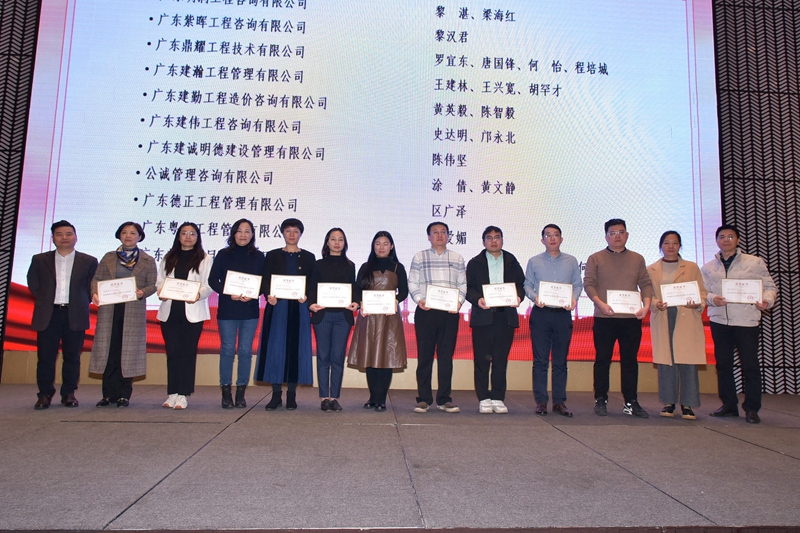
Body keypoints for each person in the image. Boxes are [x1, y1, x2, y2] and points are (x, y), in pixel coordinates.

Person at [701, 224, 777, 424]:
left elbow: (769, 286)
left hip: (746, 321)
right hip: (720, 321)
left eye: (730, 236)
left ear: (738, 240)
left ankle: (752, 408)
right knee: (723, 365)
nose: (726, 240)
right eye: (722, 237)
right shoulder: (708, 267)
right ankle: (729, 405)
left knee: (750, 365)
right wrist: (712, 299)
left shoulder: (754, 262)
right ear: (716, 241)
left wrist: (766, 301)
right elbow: (702, 292)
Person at [583, 218, 653, 418]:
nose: (617, 236)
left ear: (627, 235)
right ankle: (601, 398)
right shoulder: (596, 258)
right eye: (612, 233)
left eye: (621, 232)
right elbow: (589, 284)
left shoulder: (637, 259)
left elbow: (645, 284)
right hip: (604, 317)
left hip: (631, 318)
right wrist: (600, 304)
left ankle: (631, 401)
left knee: (630, 360)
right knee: (602, 359)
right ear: (606, 237)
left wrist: (646, 306)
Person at [27, 220, 98, 410]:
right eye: (59, 234)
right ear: (53, 238)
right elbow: (33, 283)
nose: (64, 238)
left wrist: (83, 301)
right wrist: (45, 299)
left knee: (72, 357)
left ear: (76, 237)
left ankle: (68, 393)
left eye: (68, 234)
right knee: (45, 357)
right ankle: (44, 394)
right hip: (48, 314)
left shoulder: (89, 261)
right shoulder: (40, 259)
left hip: (75, 313)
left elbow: (92, 286)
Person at [89, 222, 157, 407]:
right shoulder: (109, 257)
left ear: (139, 237)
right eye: (124, 232)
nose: (128, 236)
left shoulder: (148, 260)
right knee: (109, 350)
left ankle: (124, 394)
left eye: (132, 233)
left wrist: (143, 292)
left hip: (133, 310)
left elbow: (153, 284)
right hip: (109, 309)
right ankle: (107, 394)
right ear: (119, 236)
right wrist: (94, 293)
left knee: (128, 352)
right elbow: (96, 279)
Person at [255, 218, 316, 410]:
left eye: (295, 231)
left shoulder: (309, 257)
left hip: (300, 308)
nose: (292, 234)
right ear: (282, 233)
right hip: (278, 307)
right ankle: (276, 395)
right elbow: (265, 279)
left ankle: (291, 395)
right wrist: (268, 295)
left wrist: (307, 296)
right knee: (276, 348)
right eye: (288, 230)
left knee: (295, 348)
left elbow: (313, 282)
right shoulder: (272, 255)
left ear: (300, 234)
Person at [647, 231, 708, 420]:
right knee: (666, 361)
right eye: (667, 243)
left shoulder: (691, 267)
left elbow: (702, 292)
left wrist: (697, 303)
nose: (671, 246)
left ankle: (688, 404)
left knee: (688, 361)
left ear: (680, 245)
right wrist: (655, 303)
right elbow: (647, 295)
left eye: (675, 243)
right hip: (664, 315)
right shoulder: (651, 269)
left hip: (686, 315)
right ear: (661, 246)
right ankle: (669, 403)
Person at [524, 224, 583, 417]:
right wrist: (535, 297)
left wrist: (574, 299)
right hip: (541, 314)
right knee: (540, 361)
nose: (552, 238)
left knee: (560, 360)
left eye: (556, 235)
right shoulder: (534, 261)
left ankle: (559, 402)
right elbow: (527, 285)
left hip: (562, 314)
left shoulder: (571, 261)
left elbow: (577, 284)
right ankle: (541, 401)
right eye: (548, 235)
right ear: (542, 240)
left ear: (561, 239)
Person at [408, 221, 467, 413]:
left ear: (448, 236)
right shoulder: (420, 256)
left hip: (449, 313)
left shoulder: (457, 258)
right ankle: (424, 399)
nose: (440, 235)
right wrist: (419, 300)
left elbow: (463, 284)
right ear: (429, 236)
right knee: (425, 356)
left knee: (446, 357)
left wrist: (459, 302)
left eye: (443, 232)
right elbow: (412, 282)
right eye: (435, 232)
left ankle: (444, 399)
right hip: (426, 312)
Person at [465, 226, 525, 414]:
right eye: (489, 238)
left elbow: (521, 285)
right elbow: (468, 288)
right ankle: (483, 397)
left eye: (497, 237)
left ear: (502, 240)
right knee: (482, 360)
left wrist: (519, 297)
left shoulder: (511, 261)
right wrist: (478, 299)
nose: (493, 241)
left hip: (505, 317)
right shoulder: (475, 263)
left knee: (500, 360)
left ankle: (498, 397)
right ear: (483, 242)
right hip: (483, 317)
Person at [347, 231, 408, 411]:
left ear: (392, 246)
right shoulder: (365, 267)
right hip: (369, 317)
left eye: (385, 243)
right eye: (378, 243)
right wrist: (360, 303)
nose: (381, 247)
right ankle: (373, 397)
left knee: (386, 356)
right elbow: (357, 289)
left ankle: (381, 399)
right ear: (373, 246)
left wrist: (396, 300)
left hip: (389, 318)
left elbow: (404, 291)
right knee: (370, 356)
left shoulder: (398, 267)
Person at [156, 222, 213, 410]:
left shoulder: (205, 259)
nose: (188, 237)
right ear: (178, 236)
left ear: (197, 237)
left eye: (192, 233)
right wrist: (161, 291)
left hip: (193, 313)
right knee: (172, 352)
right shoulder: (169, 257)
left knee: (187, 353)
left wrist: (198, 295)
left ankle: (183, 394)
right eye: (184, 233)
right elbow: (160, 282)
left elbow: (208, 285)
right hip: (170, 312)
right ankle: (172, 393)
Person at [208, 219, 265, 409]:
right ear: (233, 233)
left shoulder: (259, 256)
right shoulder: (223, 255)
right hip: (227, 309)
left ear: (252, 235)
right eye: (239, 231)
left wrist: (254, 294)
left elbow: (265, 282)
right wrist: (226, 291)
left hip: (250, 310)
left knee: (245, 351)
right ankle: (226, 391)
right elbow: (212, 280)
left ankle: (241, 391)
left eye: (247, 231)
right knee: (227, 349)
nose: (243, 235)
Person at [307, 228, 359, 412]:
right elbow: (312, 287)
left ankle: (334, 397)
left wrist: (356, 302)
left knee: (337, 357)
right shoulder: (318, 264)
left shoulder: (350, 265)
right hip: (322, 315)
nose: (337, 243)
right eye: (333, 239)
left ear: (345, 243)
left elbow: (354, 288)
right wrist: (311, 304)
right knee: (323, 356)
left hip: (342, 317)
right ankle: (324, 397)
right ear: (327, 242)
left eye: (341, 239)